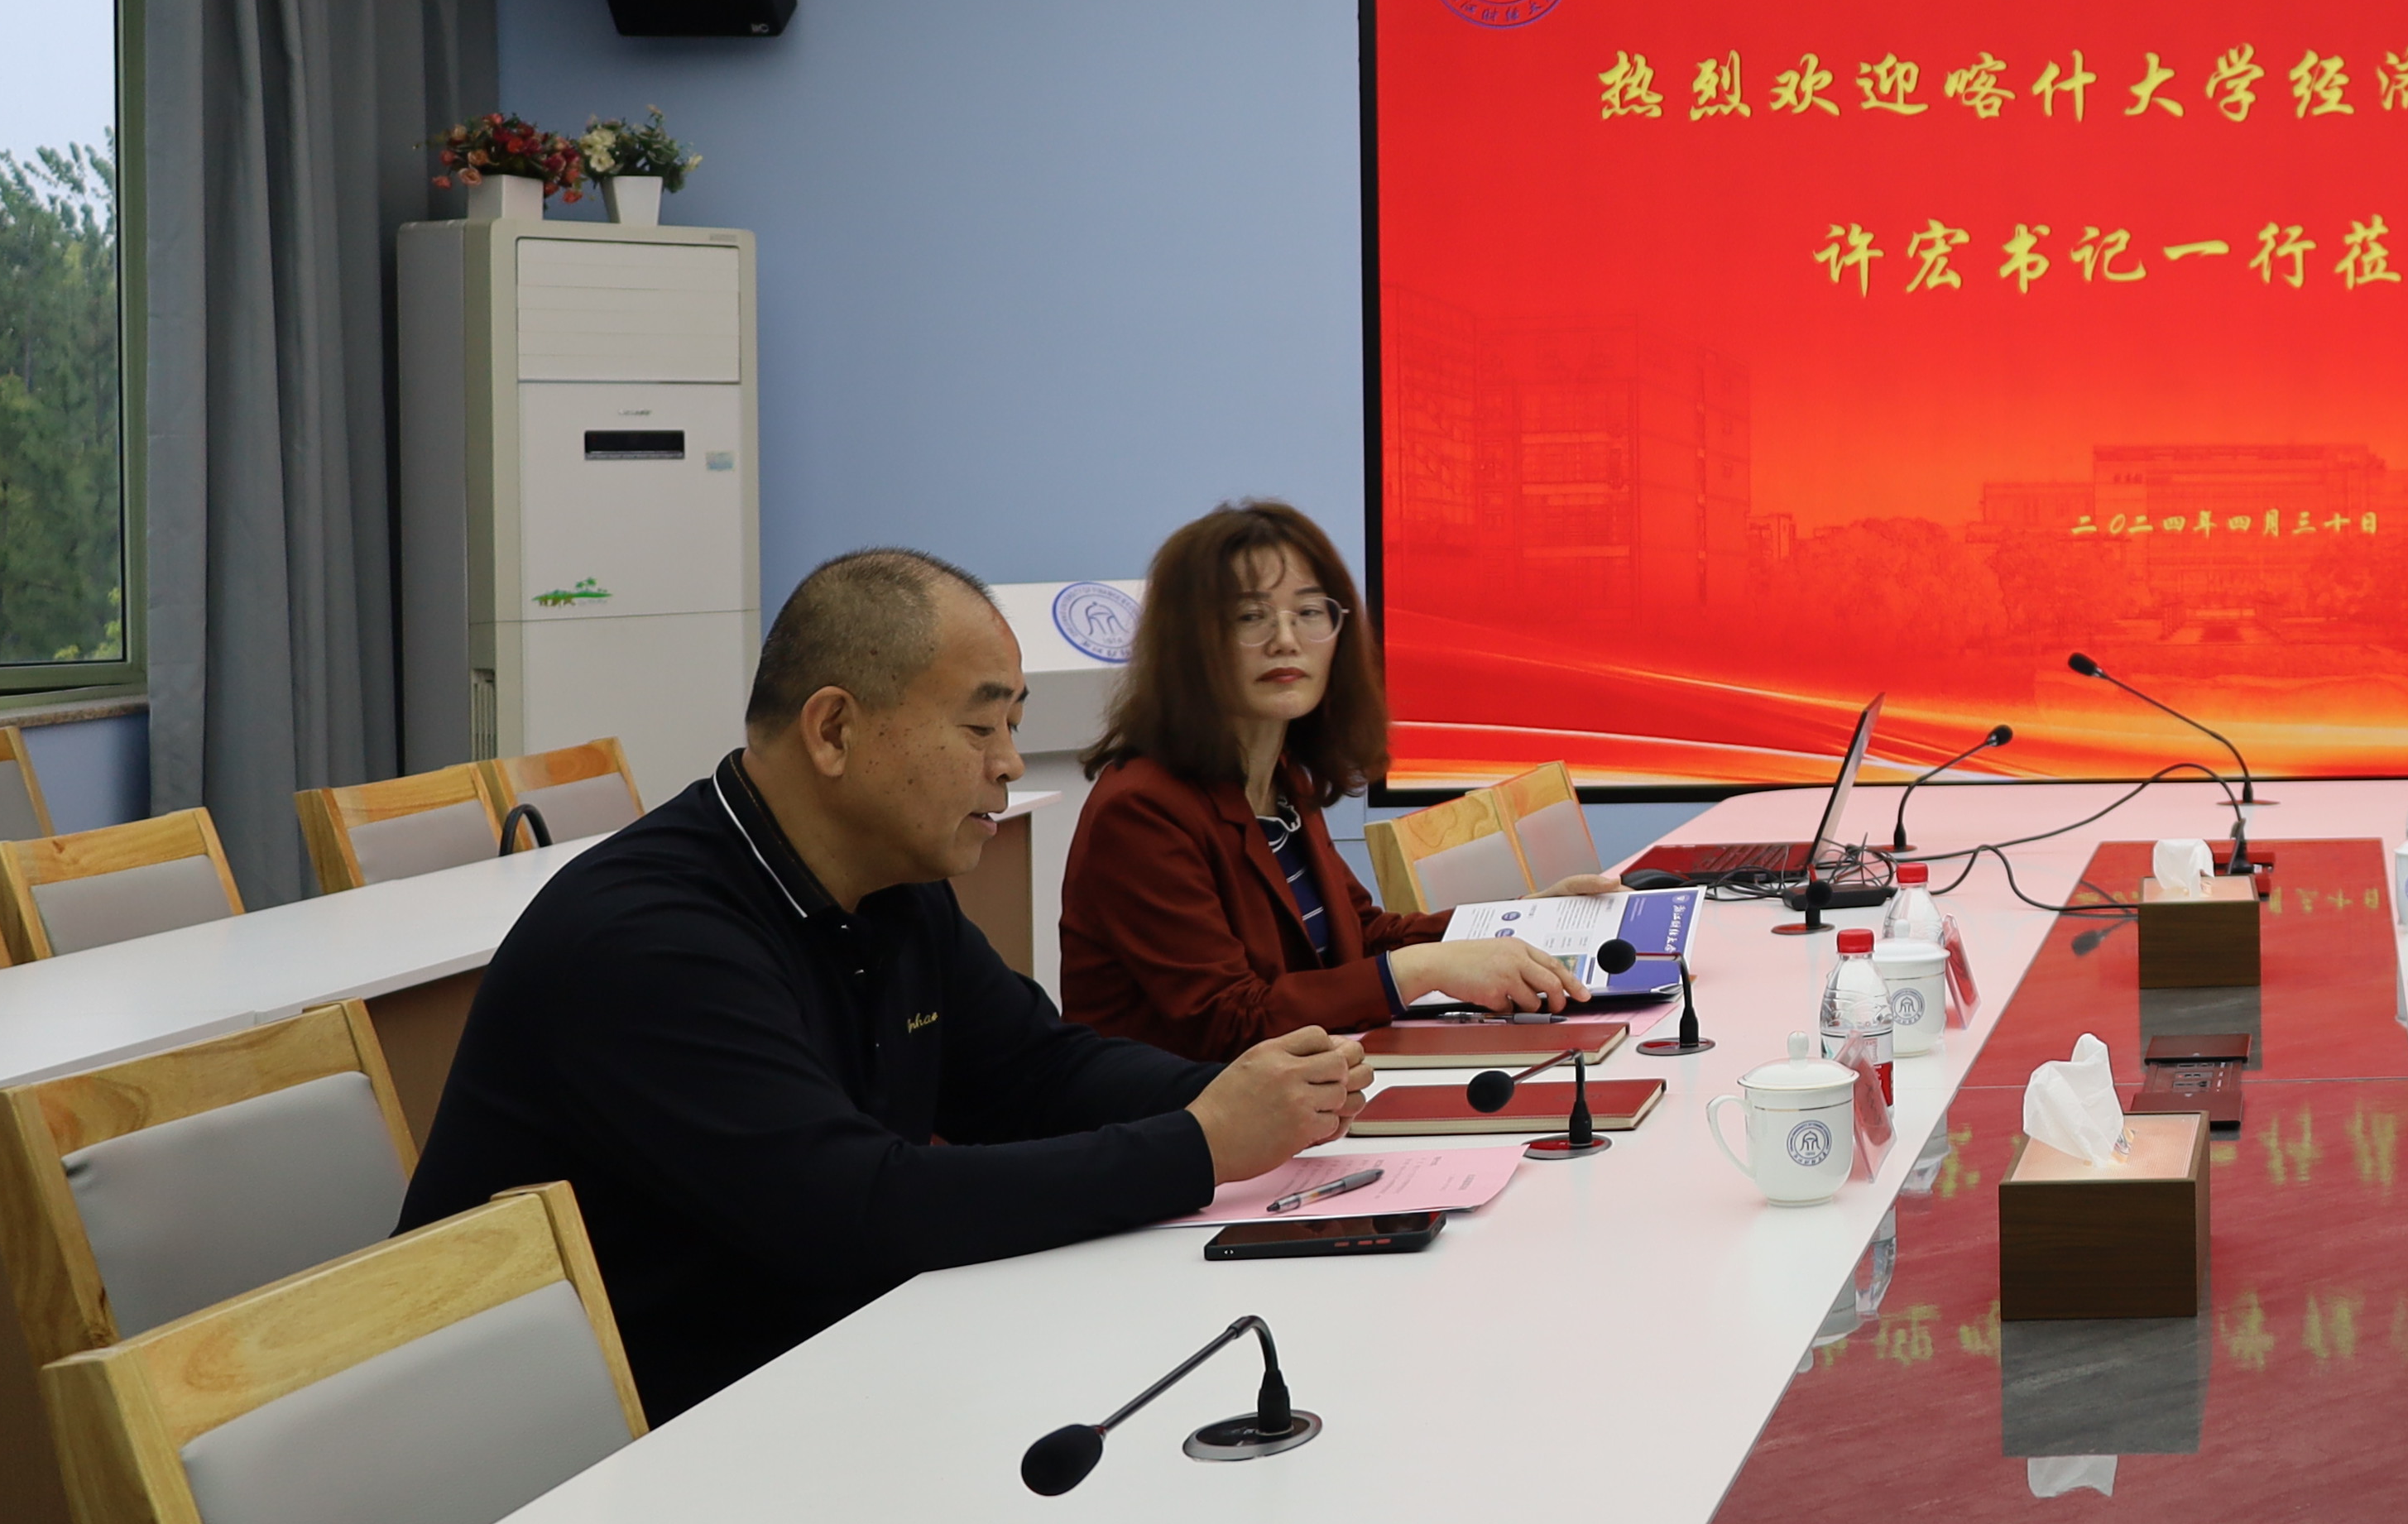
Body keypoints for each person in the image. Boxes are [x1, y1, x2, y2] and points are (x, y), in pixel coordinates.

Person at [404, 549, 1366, 1421]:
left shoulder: (890, 886)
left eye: (1013, 724)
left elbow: (1036, 1073)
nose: (1008, 763)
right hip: (601, 1450)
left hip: (810, 1377)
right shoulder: (649, 940)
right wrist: (1200, 1143)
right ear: (834, 729)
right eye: (980, 725)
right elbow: (856, 1212)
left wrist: (1268, 1094)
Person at [1058, 497, 1579, 1055]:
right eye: (1251, 616)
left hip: (1305, 1088)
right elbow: (1229, 1021)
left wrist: (1527, 918)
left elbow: (1362, 935)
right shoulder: (1141, 810)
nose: (1286, 639)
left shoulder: (1282, 776)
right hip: (1189, 1102)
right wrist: (1423, 969)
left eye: (1309, 612)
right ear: (1188, 642)